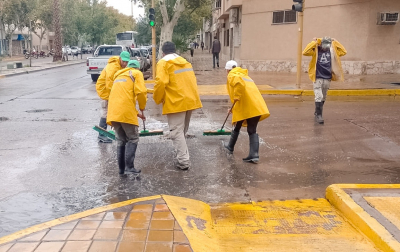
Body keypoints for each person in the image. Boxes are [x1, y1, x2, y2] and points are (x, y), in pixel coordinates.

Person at [153, 41, 203, 170]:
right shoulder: (184, 61)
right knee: (182, 131)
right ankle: (182, 154)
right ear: (174, 50)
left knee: (176, 132)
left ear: (163, 53)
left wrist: (157, 99)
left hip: (176, 102)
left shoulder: (163, 63)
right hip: (189, 100)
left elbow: (161, 83)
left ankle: (183, 161)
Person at [223, 60, 270, 164]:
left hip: (249, 107)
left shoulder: (232, 74)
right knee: (248, 128)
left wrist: (236, 97)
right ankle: (233, 147)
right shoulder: (244, 75)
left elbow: (238, 85)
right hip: (255, 105)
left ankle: (250, 153)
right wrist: (233, 108)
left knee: (246, 128)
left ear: (227, 70)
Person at [107, 60, 147, 175]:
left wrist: (137, 113)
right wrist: (142, 107)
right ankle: (129, 167)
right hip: (125, 113)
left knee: (121, 140)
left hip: (114, 113)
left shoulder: (118, 75)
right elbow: (141, 92)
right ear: (137, 68)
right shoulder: (136, 74)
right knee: (133, 138)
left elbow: (123, 98)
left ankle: (121, 169)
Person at [303, 36, 347, 124]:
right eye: (324, 44)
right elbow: (305, 52)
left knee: (324, 96)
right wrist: (314, 42)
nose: (325, 46)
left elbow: (344, 52)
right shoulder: (316, 50)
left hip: (327, 76)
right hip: (317, 76)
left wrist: (336, 41)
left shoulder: (332, 51)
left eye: (327, 44)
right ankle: (319, 115)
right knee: (319, 96)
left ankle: (317, 111)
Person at [96, 51, 130, 143]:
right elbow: (110, 84)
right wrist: (116, 96)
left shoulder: (119, 65)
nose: (125, 64)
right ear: (120, 59)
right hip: (105, 91)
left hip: (110, 90)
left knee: (113, 111)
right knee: (106, 112)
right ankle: (101, 135)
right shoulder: (113, 67)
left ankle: (114, 132)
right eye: (124, 61)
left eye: (127, 62)